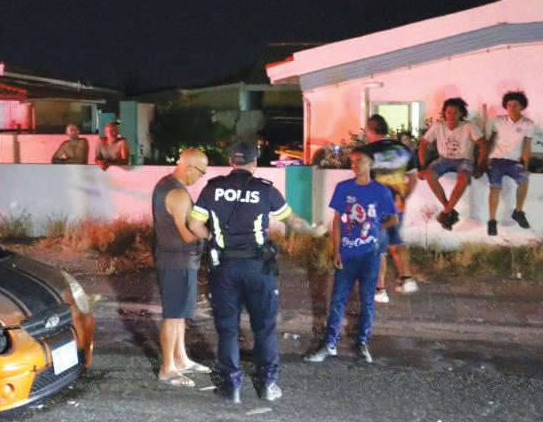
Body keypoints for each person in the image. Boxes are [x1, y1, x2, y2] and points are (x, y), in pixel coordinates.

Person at [187, 141, 313, 403]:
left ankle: (231, 387)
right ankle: (267, 385)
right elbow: (292, 221)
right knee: (264, 327)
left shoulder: (213, 188)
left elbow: (193, 224)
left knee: (228, 329)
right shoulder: (265, 189)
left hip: (224, 268)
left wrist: (213, 238)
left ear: (231, 162)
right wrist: (314, 230)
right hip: (258, 268)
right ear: (254, 162)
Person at [304, 150, 398, 364]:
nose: (355, 165)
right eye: (353, 161)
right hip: (346, 254)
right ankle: (329, 344)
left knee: (367, 301)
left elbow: (393, 219)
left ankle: (362, 343)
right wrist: (337, 250)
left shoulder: (381, 191)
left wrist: (375, 226)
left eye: (360, 161)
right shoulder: (343, 188)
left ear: (371, 164)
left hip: (370, 255)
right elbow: (337, 221)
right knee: (337, 299)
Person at [153, 148, 211, 388]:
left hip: (173, 259)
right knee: (172, 315)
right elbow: (186, 235)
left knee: (179, 314)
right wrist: (210, 236)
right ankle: (167, 368)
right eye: (201, 172)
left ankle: (181, 359)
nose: (201, 177)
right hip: (177, 261)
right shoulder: (177, 193)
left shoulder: (165, 183)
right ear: (190, 168)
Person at [360, 114, 419, 302]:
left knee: (378, 247)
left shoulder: (368, 151)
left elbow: (363, 180)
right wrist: (404, 196)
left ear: (370, 129)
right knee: (396, 239)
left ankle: (379, 290)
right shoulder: (403, 149)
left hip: (376, 205)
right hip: (397, 204)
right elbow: (413, 177)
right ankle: (407, 279)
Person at [418, 98, 487, 230]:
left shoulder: (469, 126)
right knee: (429, 175)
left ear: (461, 114)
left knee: (463, 178)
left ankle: (445, 213)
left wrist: (480, 166)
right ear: (444, 113)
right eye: (448, 112)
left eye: (456, 113)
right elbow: (422, 145)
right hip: (444, 159)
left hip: (464, 160)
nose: (451, 115)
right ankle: (448, 210)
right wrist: (423, 167)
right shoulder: (438, 126)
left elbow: (484, 145)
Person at [485, 91, 535, 236]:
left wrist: (525, 167)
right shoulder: (498, 121)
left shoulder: (528, 124)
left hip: (514, 162)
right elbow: (490, 141)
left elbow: (527, 147)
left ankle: (518, 212)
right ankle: (492, 221)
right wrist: (484, 161)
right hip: (496, 160)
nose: (511, 108)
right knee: (495, 188)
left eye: (515, 105)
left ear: (522, 107)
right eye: (509, 105)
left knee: (524, 181)